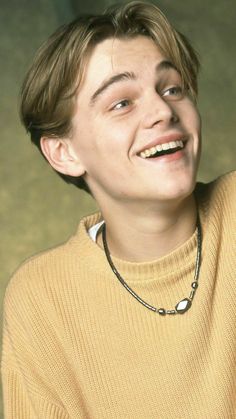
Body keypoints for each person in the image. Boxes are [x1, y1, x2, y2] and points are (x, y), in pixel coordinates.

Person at [2, 1, 235, 417]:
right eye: (122, 103)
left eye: (172, 88)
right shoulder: (41, 298)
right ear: (64, 153)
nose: (163, 111)